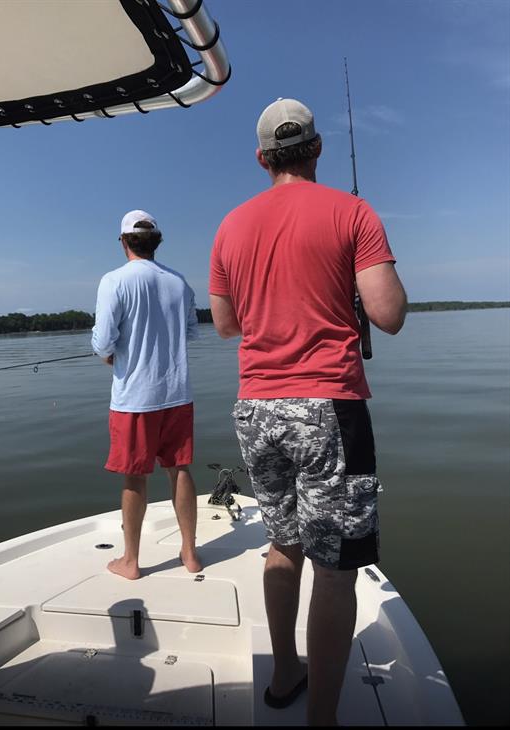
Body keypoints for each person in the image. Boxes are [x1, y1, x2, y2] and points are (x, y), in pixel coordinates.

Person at [209, 99, 407, 726]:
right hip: (330, 407)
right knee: (337, 568)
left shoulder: (229, 226)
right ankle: (322, 715)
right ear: (317, 149)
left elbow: (224, 326)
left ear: (263, 158)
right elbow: (389, 315)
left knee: (281, 544)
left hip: (256, 409)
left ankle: (285, 671)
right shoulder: (353, 211)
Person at [92, 209, 202, 580]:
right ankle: (189, 553)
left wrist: (110, 353)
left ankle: (131, 561)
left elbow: (102, 341)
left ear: (123, 241)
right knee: (180, 470)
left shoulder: (114, 281)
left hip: (135, 398)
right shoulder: (180, 282)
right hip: (177, 393)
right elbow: (189, 332)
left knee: (135, 477)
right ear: (156, 242)